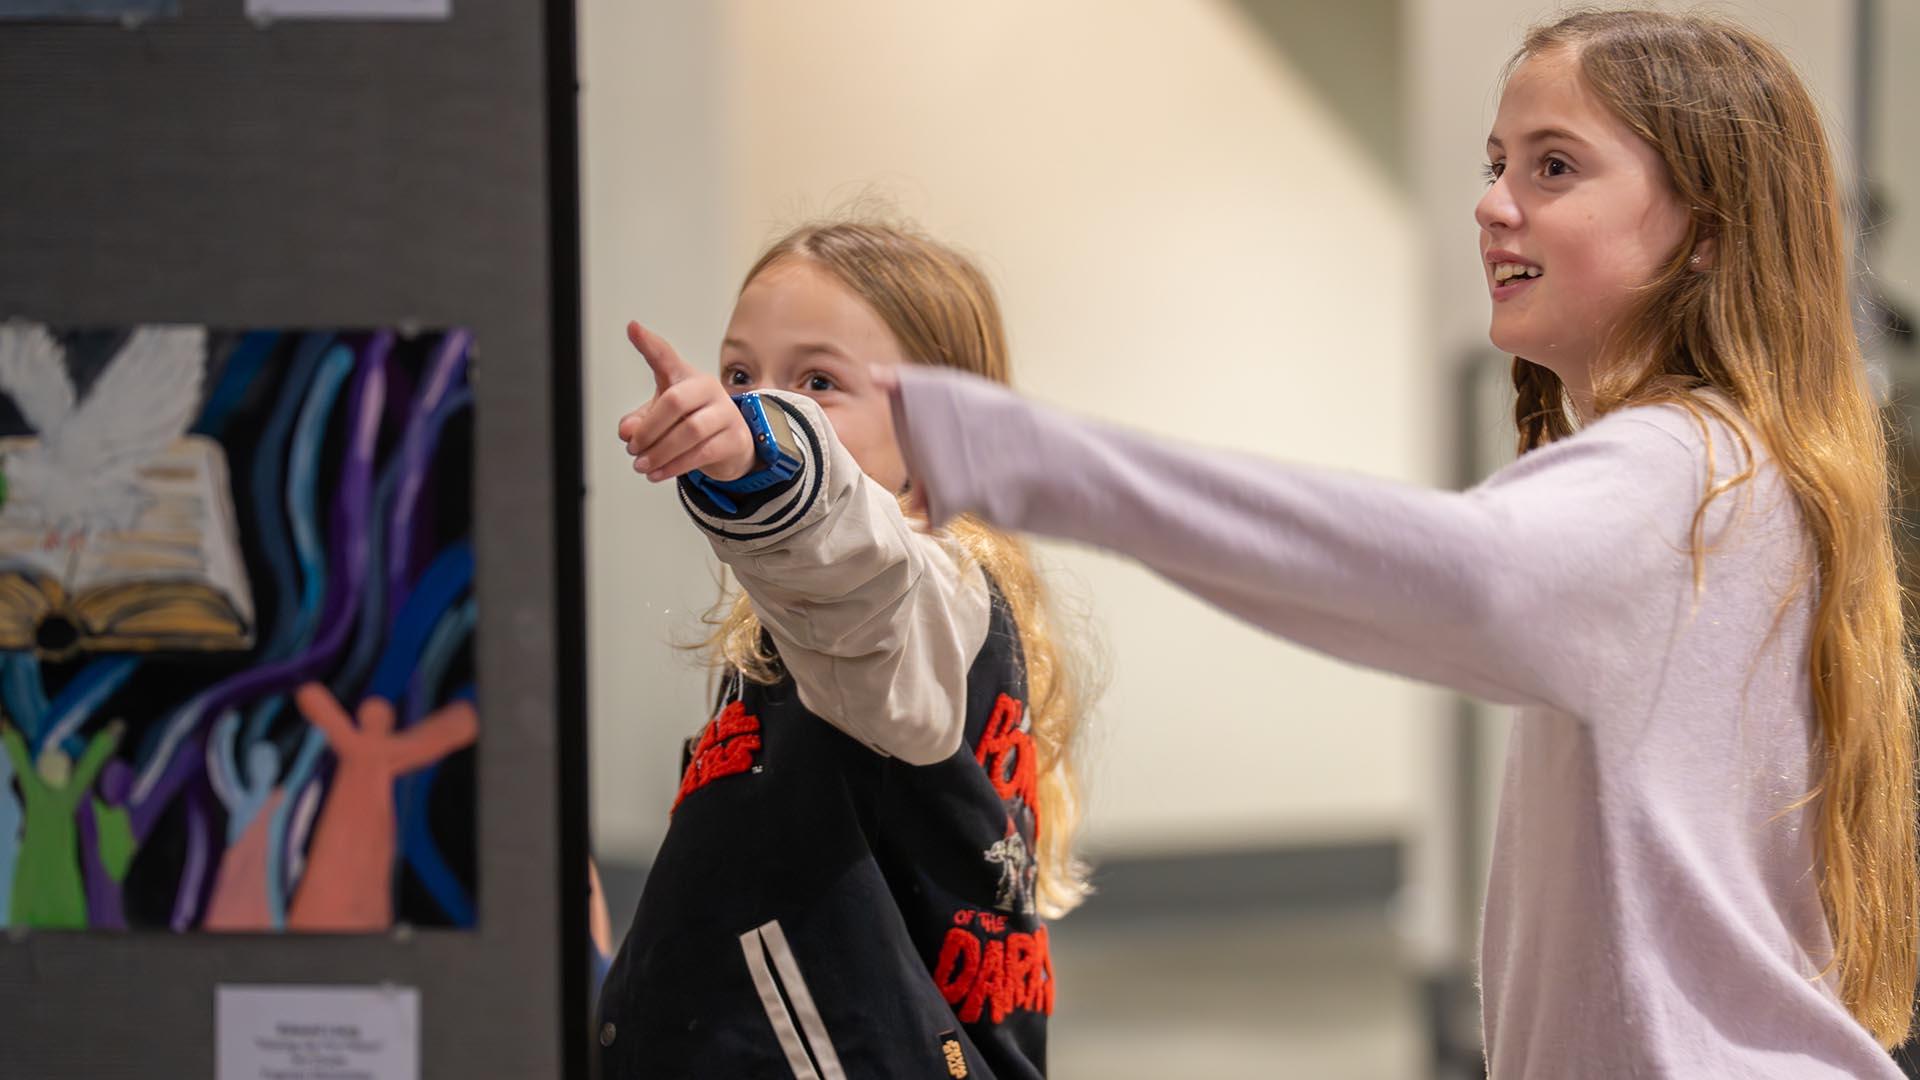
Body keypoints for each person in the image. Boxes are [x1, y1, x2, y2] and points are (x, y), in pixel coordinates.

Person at [873, 10, 1917, 1077]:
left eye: (1555, 167)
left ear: (1705, 229)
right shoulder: (1737, 465)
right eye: (1497, 163)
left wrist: (1008, 450)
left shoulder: (1686, 474)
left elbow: (1457, 575)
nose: (1492, 203)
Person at [599, 222, 1096, 1079]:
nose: (761, 405)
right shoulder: (802, 636)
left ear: (943, 433)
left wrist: (765, 456)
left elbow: (860, 567)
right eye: (742, 375)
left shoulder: (927, 596)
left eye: (817, 382)